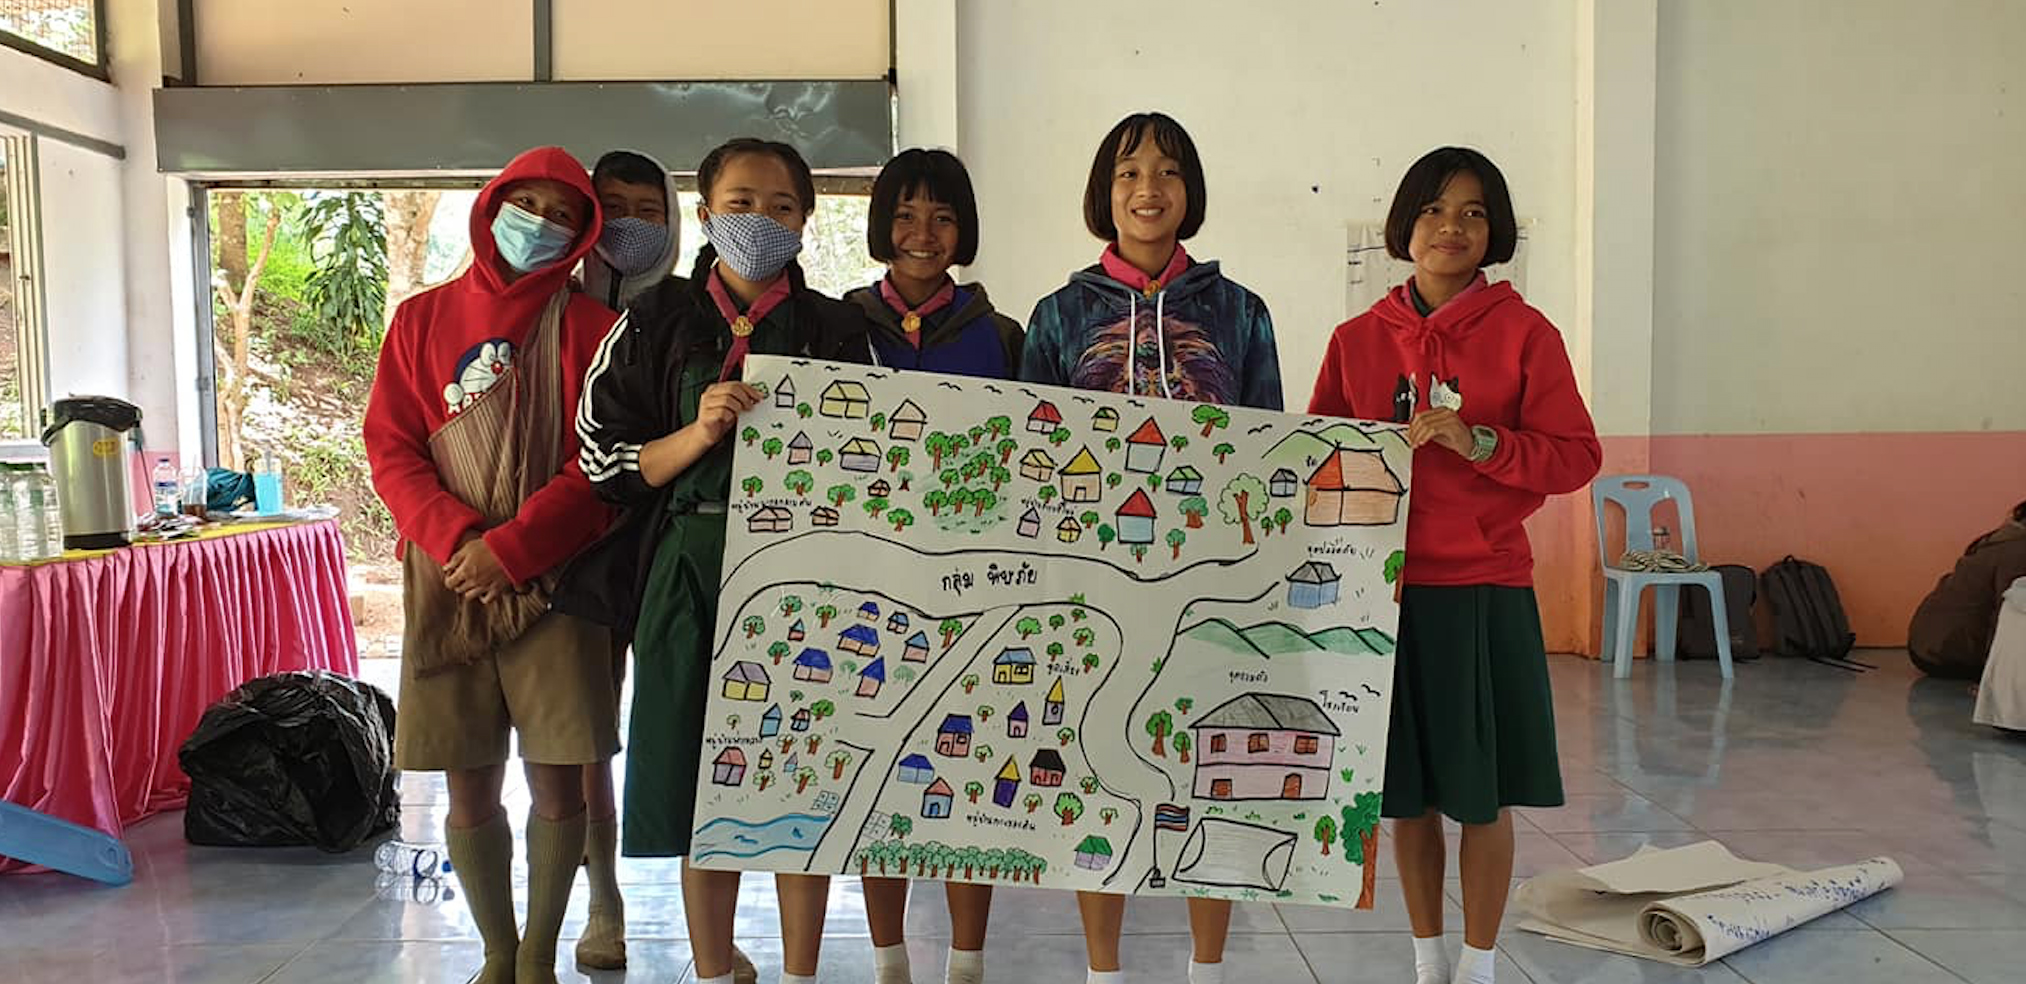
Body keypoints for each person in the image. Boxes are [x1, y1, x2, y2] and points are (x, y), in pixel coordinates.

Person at [575, 137, 875, 984]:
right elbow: (602, 457)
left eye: (781, 206)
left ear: (807, 222)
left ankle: (801, 970)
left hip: (809, 578)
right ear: (704, 214)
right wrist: (699, 430)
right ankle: (713, 968)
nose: (759, 221)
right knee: (702, 779)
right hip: (690, 565)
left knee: (801, 774)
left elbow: (888, 461)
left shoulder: (839, 329)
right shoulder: (654, 320)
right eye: (739, 202)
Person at [1308, 146, 1601, 984]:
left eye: (1474, 212)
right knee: (1408, 795)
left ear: (1495, 232)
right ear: (1405, 226)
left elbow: (1575, 455)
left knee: (1482, 794)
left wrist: (1481, 442)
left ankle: (1479, 963)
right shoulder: (1357, 341)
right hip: (1384, 598)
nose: (1452, 228)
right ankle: (1427, 955)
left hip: (1483, 590)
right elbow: (1322, 459)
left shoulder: (1525, 335)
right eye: (1435, 210)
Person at [1020, 111, 1281, 984]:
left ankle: (1207, 966)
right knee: (1098, 771)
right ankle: (1105, 969)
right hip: (1094, 589)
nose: (1148, 188)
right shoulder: (1057, 317)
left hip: (1211, 587)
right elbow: (1034, 455)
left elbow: (1268, 449)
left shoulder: (1242, 314)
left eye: (1168, 171)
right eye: (1129, 171)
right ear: (1105, 191)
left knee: (1212, 766)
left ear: (1190, 192)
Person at [363, 145, 620, 984]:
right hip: (446, 581)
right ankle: (497, 954)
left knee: (558, 777)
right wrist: (457, 540)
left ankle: (541, 954)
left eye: (562, 214)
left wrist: (514, 549)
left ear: (584, 235)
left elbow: (601, 465)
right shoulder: (421, 321)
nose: (540, 226)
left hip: (558, 580)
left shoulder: (592, 330)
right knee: (466, 780)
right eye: (527, 205)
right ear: (490, 206)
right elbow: (393, 447)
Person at [844, 147, 1019, 984]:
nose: (922, 234)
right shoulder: (835, 326)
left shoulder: (1003, 335)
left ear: (964, 229)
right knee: (876, 770)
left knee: (971, 769)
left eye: (942, 217)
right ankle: (887, 959)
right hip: (866, 584)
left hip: (976, 590)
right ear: (882, 224)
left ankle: (968, 960)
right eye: (906, 214)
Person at [548, 147, 685, 972]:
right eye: (614, 207)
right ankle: (604, 900)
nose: (632, 225)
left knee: (703, 725)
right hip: (577, 549)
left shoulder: (691, 312)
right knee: (585, 735)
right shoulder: (552, 314)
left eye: (649, 209)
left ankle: (713, 918)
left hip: (671, 547)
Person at [1908, 500, 2026, 680]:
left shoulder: (2008, 538)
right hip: (1942, 652)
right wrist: (1994, 678)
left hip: (1927, 641)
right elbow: (2006, 618)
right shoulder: (2018, 552)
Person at [582, 149, 684, 311]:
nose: (631, 220)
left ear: (671, 221)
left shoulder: (695, 311)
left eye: (647, 210)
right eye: (613, 207)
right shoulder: (560, 303)